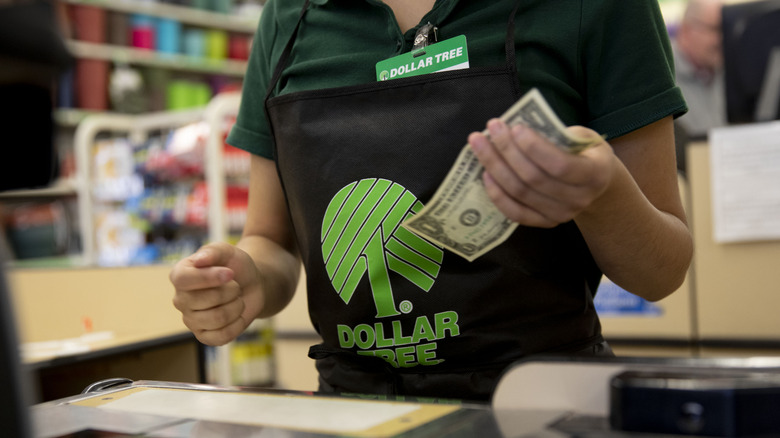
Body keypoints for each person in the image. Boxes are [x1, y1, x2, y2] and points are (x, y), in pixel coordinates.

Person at [170, 0, 693, 401]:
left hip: (540, 406)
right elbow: (271, 242)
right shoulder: (290, 17)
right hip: (355, 412)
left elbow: (662, 271)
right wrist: (244, 280)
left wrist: (602, 194)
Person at [672, 0, 727, 173]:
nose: (723, 39)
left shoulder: (731, 71)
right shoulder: (662, 77)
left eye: (727, 29)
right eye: (715, 29)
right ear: (687, 31)